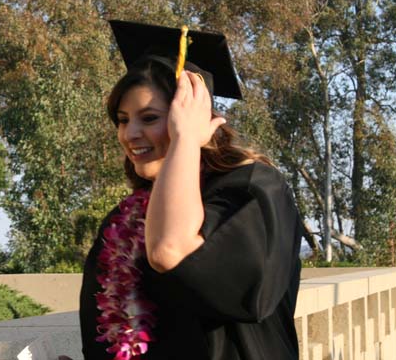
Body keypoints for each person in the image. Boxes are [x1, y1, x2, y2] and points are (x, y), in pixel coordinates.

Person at [78, 21, 303, 360]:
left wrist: (185, 139)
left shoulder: (250, 191)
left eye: (150, 118)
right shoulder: (125, 219)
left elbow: (170, 249)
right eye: (123, 119)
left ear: (193, 117)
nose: (130, 133)